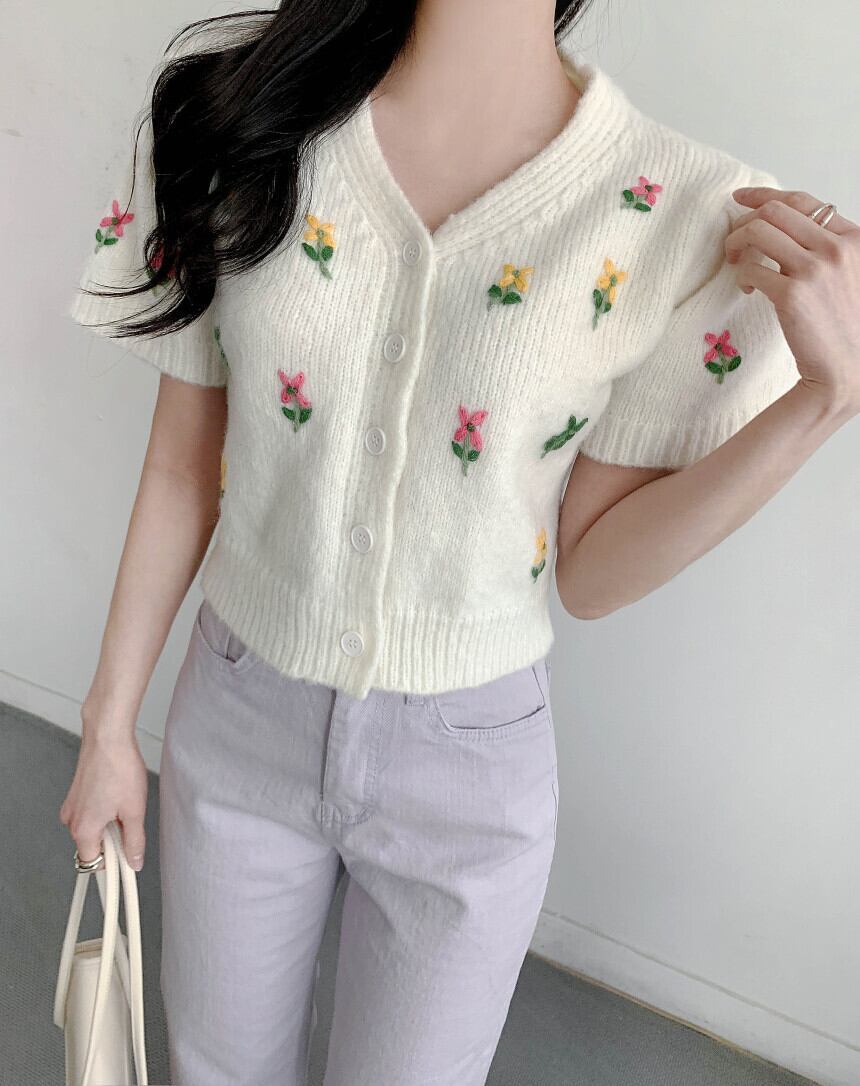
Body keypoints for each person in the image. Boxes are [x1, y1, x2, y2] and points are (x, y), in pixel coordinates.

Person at [59, 2, 859, 1084]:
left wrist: (822, 402)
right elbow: (179, 465)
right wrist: (108, 725)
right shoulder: (237, 114)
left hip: (470, 769)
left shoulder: (677, 209)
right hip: (240, 713)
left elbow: (593, 573)